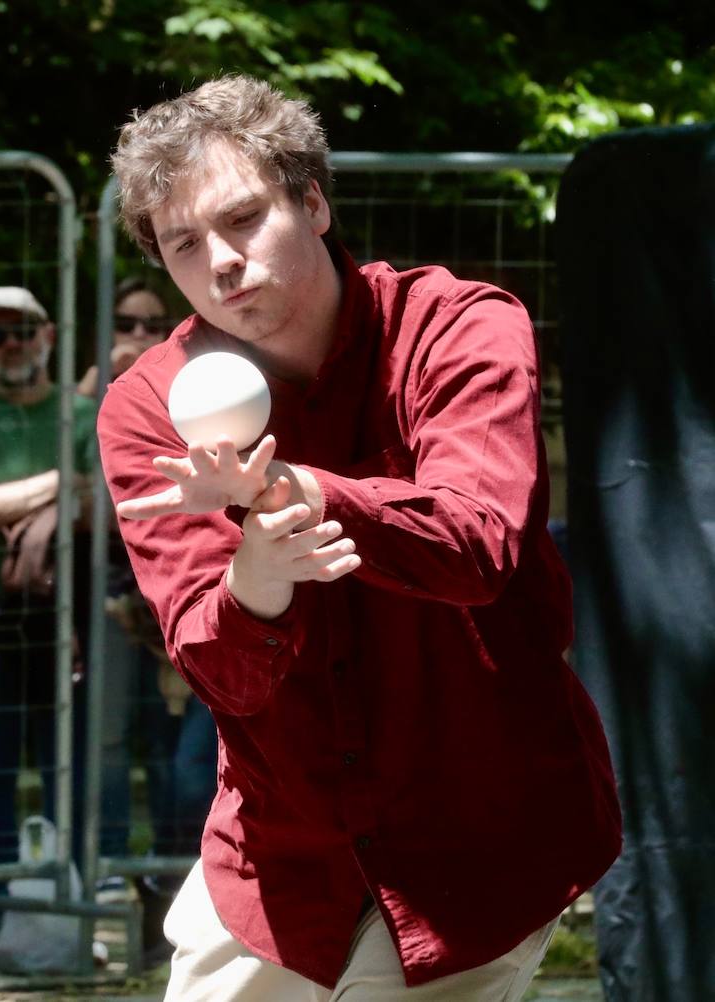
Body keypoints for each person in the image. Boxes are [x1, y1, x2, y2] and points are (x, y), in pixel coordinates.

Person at [97, 76, 621, 1000]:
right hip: (280, 855)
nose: (221, 260)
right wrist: (256, 578)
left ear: (314, 201)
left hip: (478, 835)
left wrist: (296, 491)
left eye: (245, 219)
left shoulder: (460, 329)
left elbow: (477, 546)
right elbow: (217, 670)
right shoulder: (147, 407)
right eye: (185, 244)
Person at [0, 286, 98, 958]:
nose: (13, 344)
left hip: (74, 607)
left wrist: (23, 498)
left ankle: (73, 907)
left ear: (50, 335)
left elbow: (107, 509)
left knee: (72, 769)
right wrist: (63, 483)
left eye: (25, 329)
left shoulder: (86, 412)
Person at [78, 277, 218, 957]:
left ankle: (180, 888)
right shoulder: (83, 407)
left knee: (185, 762)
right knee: (116, 742)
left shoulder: (198, 390)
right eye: (123, 324)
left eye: (150, 323)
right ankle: (115, 887)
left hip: (188, 583)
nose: (137, 337)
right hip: (114, 591)